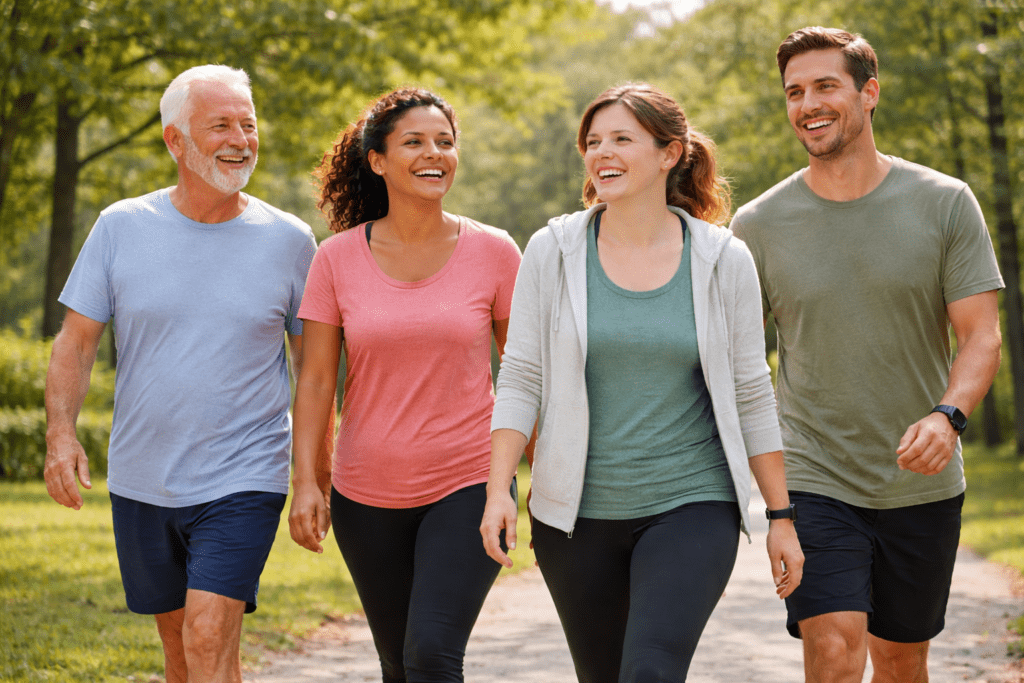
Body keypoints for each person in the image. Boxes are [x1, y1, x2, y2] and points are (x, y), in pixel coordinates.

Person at [480, 83, 803, 683]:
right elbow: (521, 377)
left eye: (622, 139)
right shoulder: (553, 251)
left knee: (651, 671)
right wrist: (499, 489)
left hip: (692, 501)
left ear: (668, 153)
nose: (602, 152)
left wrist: (780, 515)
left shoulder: (722, 258)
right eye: (593, 141)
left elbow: (751, 392)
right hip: (575, 516)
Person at [729, 27, 1004, 683]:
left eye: (825, 86)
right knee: (832, 649)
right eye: (794, 92)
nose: (808, 105)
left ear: (869, 92)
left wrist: (948, 416)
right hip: (814, 475)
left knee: (902, 662)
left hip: (921, 481)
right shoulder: (757, 226)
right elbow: (731, 360)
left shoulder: (944, 202)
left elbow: (981, 335)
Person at [43, 65, 320, 683]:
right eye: (221, 125)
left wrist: (313, 475)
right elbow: (76, 343)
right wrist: (60, 434)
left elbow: (314, 368)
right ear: (175, 140)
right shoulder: (120, 227)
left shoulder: (291, 241)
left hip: (246, 474)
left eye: (248, 125)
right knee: (182, 655)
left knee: (207, 632)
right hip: (142, 477)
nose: (240, 140)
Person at [287, 87, 523, 683]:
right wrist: (307, 482)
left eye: (445, 141)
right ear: (378, 160)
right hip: (365, 491)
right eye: (414, 142)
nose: (434, 153)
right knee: (398, 664)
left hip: (468, 480)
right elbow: (316, 381)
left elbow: (523, 371)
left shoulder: (494, 252)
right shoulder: (335, 258)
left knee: (432, 654)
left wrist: (541, 472)